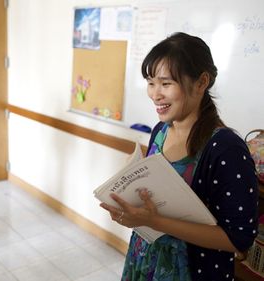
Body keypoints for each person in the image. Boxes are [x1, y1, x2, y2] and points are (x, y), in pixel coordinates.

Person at [100, 32, 258, 280]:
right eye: (151, 82)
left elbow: (239, 239)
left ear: (201, 82)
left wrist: (155, 221)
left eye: (166, 83)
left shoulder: (226, 148)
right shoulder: (160, 131)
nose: (155, 94)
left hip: (194, 271)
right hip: (146, 260)